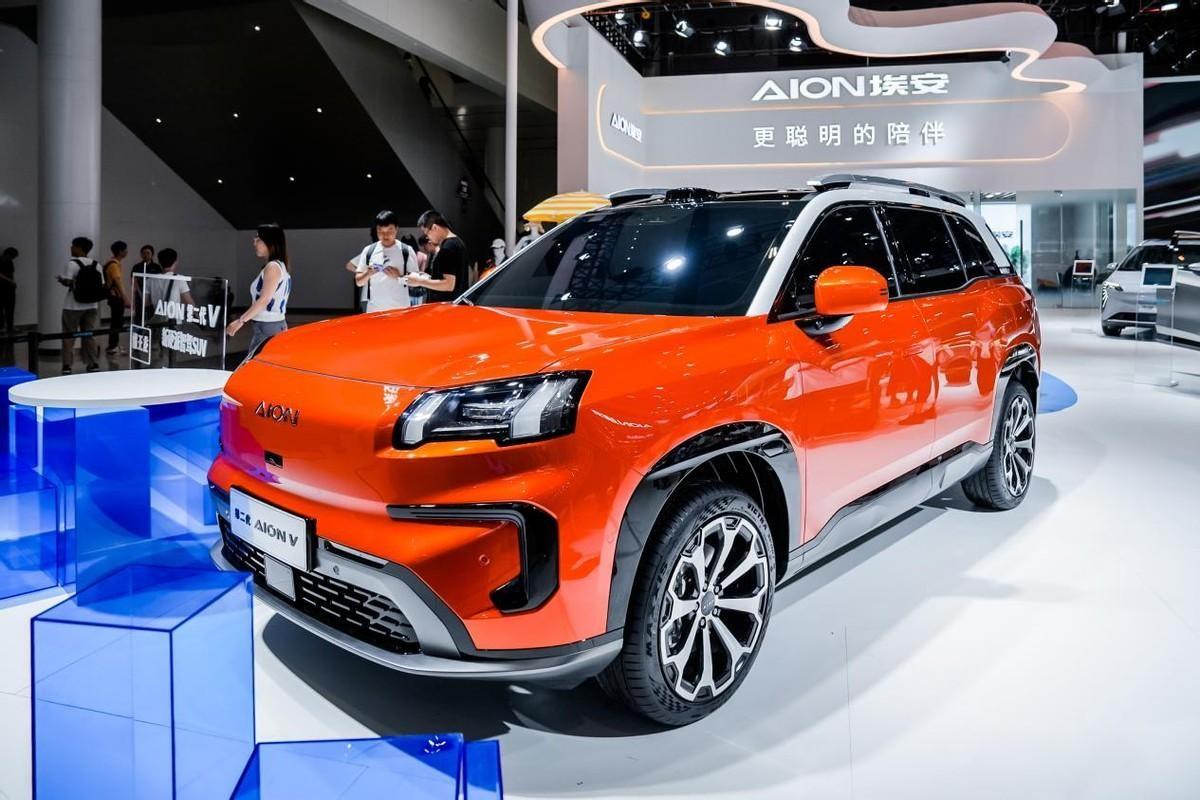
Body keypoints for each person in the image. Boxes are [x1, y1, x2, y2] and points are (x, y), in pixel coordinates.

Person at [227, 224, 290, 362]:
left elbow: (264, 300)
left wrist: (240, 321)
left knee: (254, 366)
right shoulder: (278, 265)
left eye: (258, 239)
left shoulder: (272, 267)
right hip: (270, 326)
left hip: (268, 326)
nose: (254, 242)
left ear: (270, 243)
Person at [347, 211, 419, 313]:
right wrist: (368, 273)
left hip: (400, 310)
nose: (385, 235)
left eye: (389, 230)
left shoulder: (406, 250)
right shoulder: (369, 250)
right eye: (380, 231)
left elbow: (416, 282)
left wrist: (399, 277)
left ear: (396, 229)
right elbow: (359, 282)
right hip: (374, 310)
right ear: (376, 230)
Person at [57, 236, 104, 373]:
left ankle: (67, 365)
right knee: (89, 335)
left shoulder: (72, 264)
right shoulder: (97, 265)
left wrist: (62, 280)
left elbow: (68, 282)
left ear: (79, 248)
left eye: (73, 246)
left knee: (68, 336)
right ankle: (93, 363)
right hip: (92, 306)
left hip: (73, 306)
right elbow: (101, 285)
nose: (71, 248)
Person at [412, 210, 469, 303]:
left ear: (435, 227)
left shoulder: (447, 248)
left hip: (446, 307)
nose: (427, 237)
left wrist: (419, 281)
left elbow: (449, 285)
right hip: (456, 304)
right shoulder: (458, 242)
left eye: (427, 233)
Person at [103, 240, 131, 355]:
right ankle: (113, 347)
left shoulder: (111, 263)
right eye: (125, 250)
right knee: (116, 322)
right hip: (116, 298)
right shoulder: (114, 265)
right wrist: (125, 299)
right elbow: (118, 283)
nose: (127, 252)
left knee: (116, 322)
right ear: (120, 251)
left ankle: (113, 345)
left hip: (113, 297)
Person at [0, 247, 16, 334]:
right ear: (7, 255)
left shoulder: (10, 262)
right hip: (1, 288)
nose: (12, 259)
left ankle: (10, 327)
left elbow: (11, 273)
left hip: (10, 288)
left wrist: (13, 283)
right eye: (12, 257)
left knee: (10, 308)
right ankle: (1, 327)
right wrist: (10, 281)